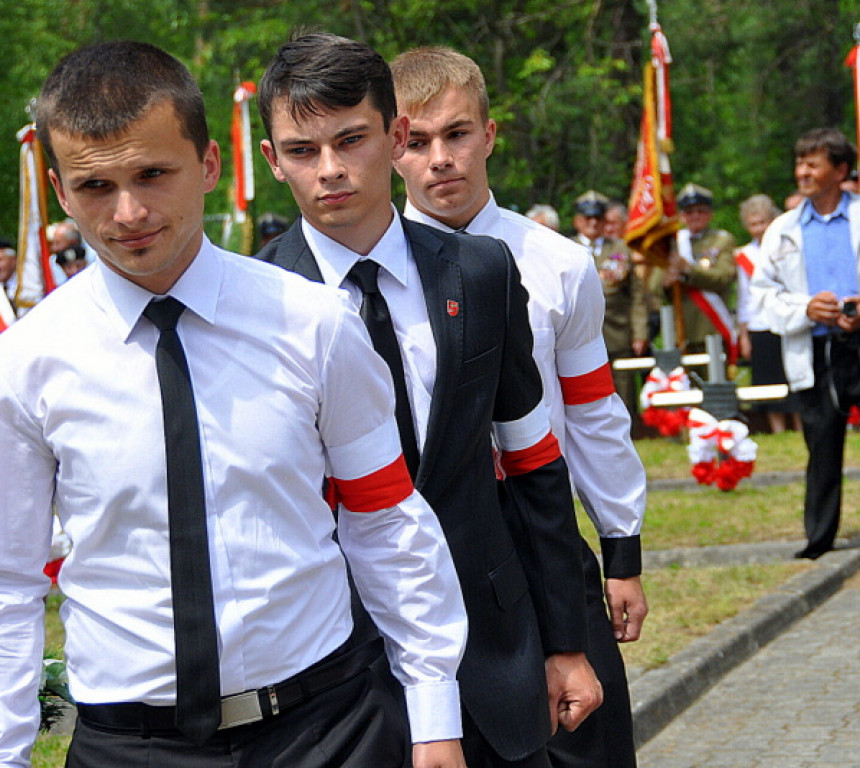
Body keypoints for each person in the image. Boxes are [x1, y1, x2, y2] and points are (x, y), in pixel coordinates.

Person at [0, 40, 470, 768]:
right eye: (95, 186)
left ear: (210, 165)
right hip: (130, 748)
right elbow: (9, 583)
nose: (129, 212)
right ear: (60, 191)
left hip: (327, 731)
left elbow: (385, 520)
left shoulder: (314, 324)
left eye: (153, 174)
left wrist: (435, 715)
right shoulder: (26, 363)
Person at [254, 34, 600, 768]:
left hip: (492, 645)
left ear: (395, 135)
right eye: (302, 150)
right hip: (336, 666)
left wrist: (566, 642)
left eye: (351, 139)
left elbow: (533, 461)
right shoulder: (253, 305)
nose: (330, 169)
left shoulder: (481, 271)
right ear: (271, 160)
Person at [390, 45, 649, 768]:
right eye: (417, 141)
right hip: (426, 549)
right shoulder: (375, 275)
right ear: (390, 146)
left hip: (541, 538)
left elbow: (592, 413)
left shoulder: (559, 262)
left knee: (586, 742)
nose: (440, 159)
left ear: (490, 134)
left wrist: (621, 549)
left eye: (457, 133)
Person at [751, 127, 860, 574]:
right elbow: (763, 293)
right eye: (800, 162)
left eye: (814, 163)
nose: (803, 172)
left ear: (841, 170)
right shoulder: (783, 229)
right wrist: (806, 307)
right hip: (816, 349)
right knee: (821, 445)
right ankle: (820, 539)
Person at [571, 190, 647, 420]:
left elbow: (636, 296)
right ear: (577, 221)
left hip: (616, 330)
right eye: (587, 218)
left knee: (622, 387)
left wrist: (640, 333)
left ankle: (629, 430)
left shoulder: (621, 249)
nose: (593, 223)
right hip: (578, 334)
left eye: (598, 217)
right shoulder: (565, 248)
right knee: (584, 391)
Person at [734, 194, 800, 433]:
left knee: (792, 375)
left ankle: (799, 426)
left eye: (763, 222)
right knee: (768, 378)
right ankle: (777, 428)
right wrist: (743, 334)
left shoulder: (787, 247)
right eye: (753, 224)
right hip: (759, 324)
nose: (759, 228)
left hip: (787, 320)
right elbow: (744, 298)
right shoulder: (743, 256)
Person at [663, 183, 737, 357]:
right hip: (682, 329)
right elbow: (654, 287)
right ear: (681, 216)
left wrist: (689, 270)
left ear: (710, 213)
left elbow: (724, 276)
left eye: (701, 211)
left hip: (712, 326)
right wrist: (665, 282)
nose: (695, 216)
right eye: (689, 212)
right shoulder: (673, 243)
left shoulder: (722, 240)